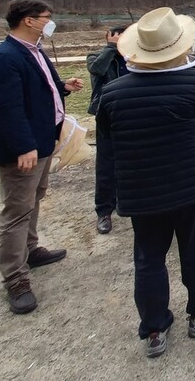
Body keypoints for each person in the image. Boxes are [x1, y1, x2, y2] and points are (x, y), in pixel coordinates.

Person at [95, 7, 195, 359]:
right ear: (179, 46)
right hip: (190, 186)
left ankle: (155, 329)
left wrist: (107, 199)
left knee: (148, 259)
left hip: (141, 191)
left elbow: (107, 153)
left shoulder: (111, 95)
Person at [0, 0, 84, 314]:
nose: (50, 22)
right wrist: (23, 146)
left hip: (42, 143)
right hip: (23, 150)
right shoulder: (3, 59)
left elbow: (38, 90)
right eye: (46, 17)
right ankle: (15, 279)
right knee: (16, 211)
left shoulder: (33, 52)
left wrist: (63, 87)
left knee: (34, 199)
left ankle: (31, 249)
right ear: (27, 20)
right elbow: (6, 109)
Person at [86, 26, 128, 235]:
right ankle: (104, 211)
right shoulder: (98, 57)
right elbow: (97, 70)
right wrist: (111, 48)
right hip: (108, 118)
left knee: (130, 162)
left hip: (131, 116)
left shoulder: (134, 58)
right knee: (106, 165)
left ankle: (124, 200)